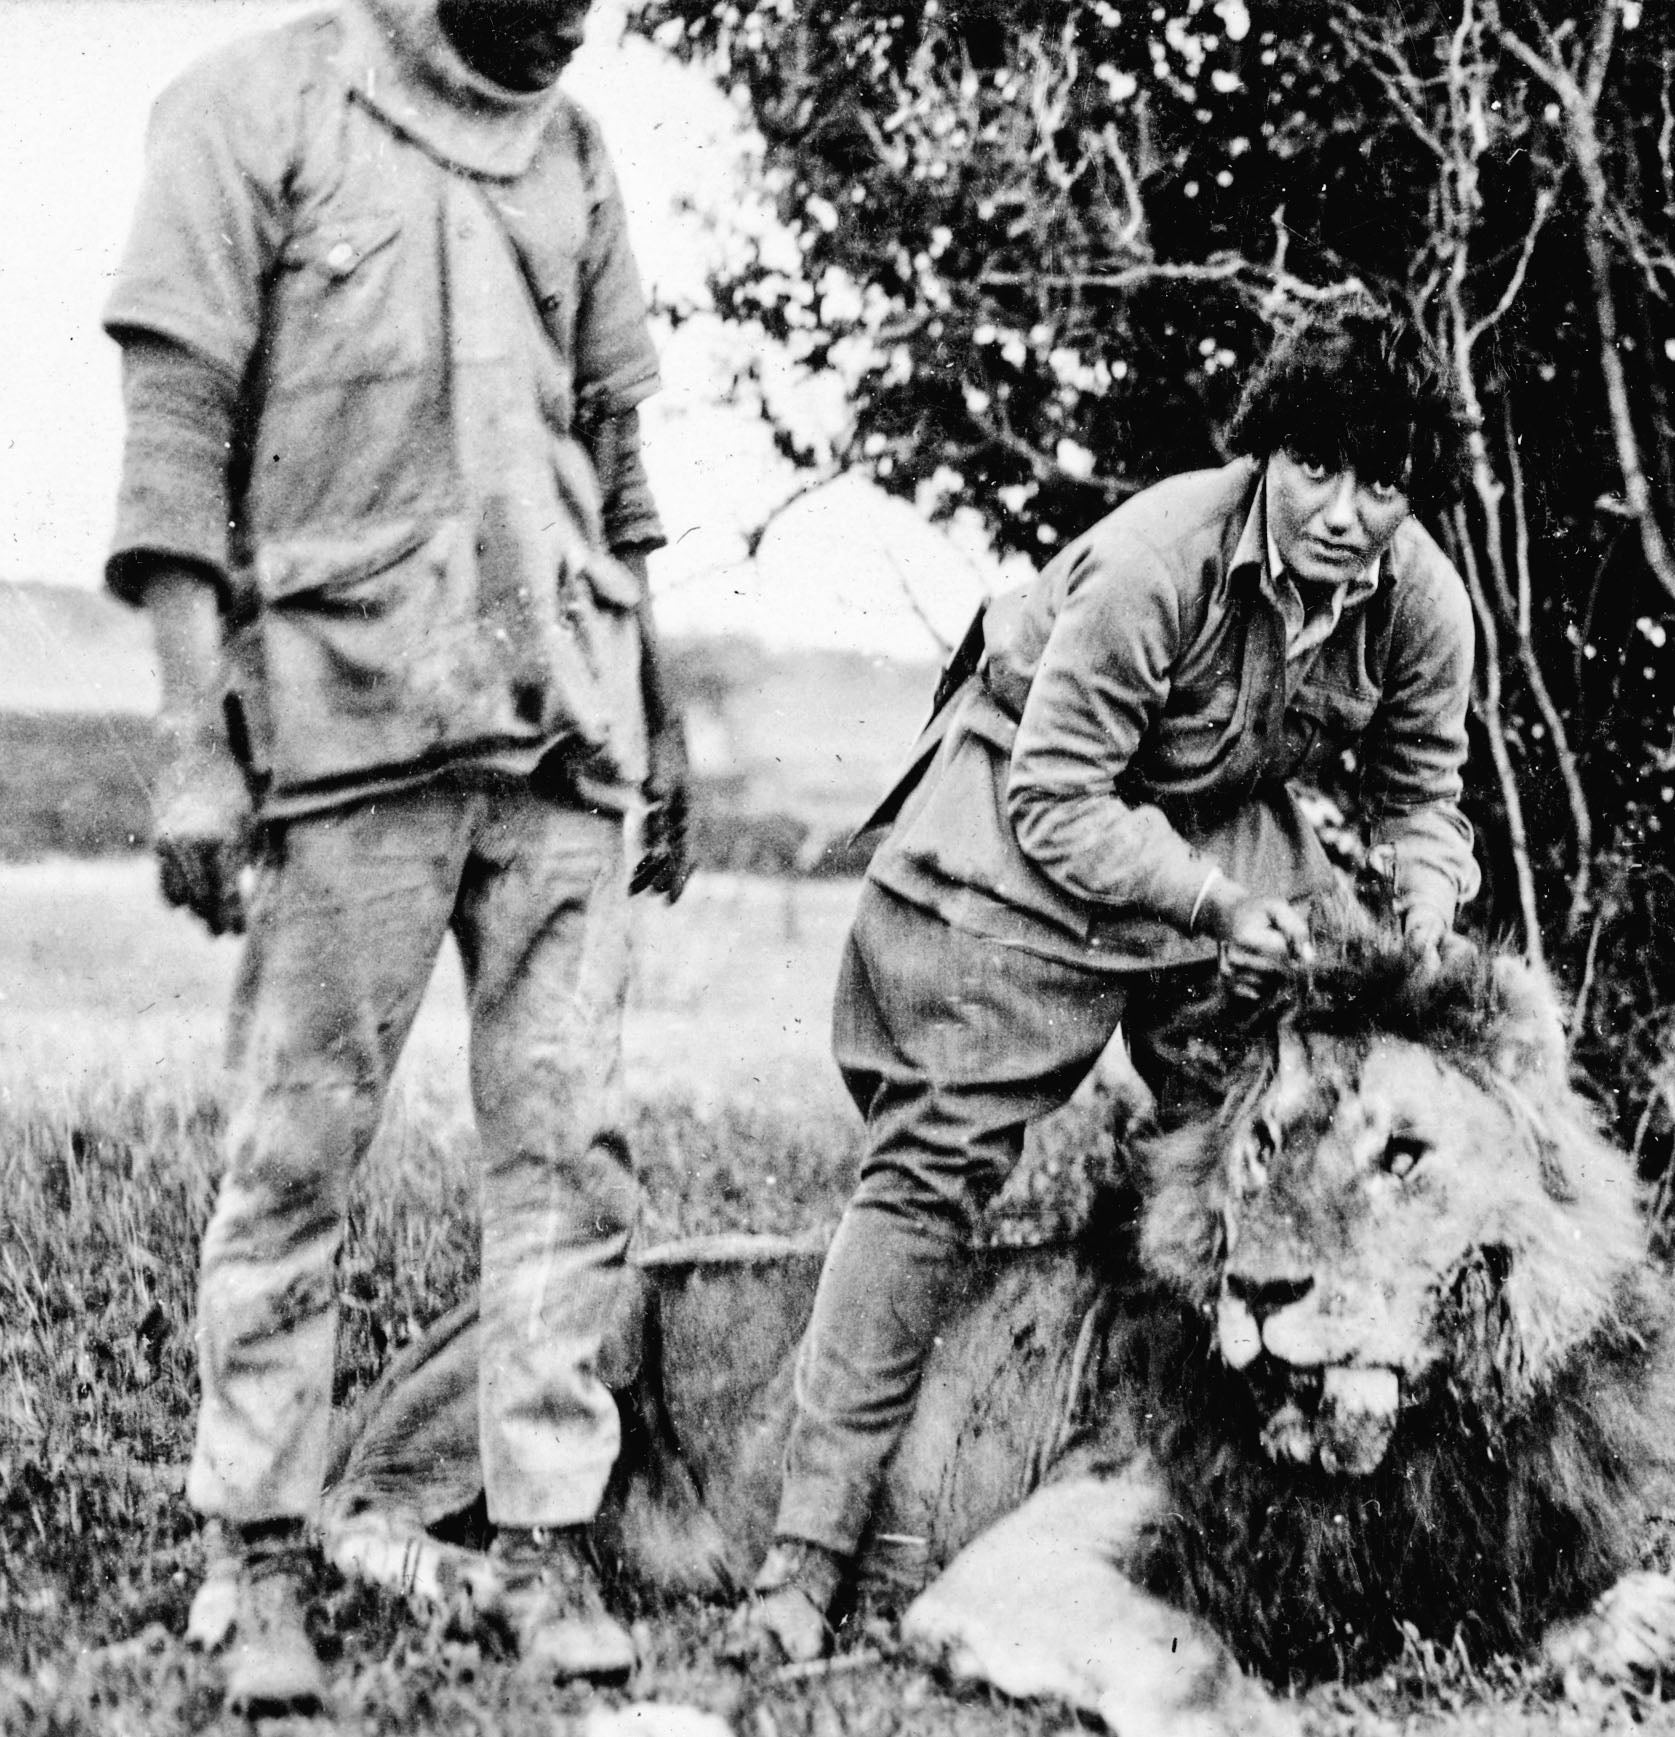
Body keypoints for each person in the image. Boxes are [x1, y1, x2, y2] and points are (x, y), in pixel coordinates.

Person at [730, 297, 1480, 1663]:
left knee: (1267, 1142)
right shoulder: (1156, 561)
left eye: (1380, 484)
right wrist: (1215, 907)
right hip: (1030, 826)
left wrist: (1422, 909)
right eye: (1315, 467)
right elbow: (1060, 794)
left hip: (1219, 828)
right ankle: (806, 1551)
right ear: (1265, 456)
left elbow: (1424, 798)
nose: (1342, 512)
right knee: (930, 1165)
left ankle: (1240, 1503)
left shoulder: (1423, 602)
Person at [103, 0, 689, 1714]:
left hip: (564, 732)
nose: (580, 14)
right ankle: (257, 1549)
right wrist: (190, 742)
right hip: (346, 726)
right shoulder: (247, 108)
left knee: (568, 1155)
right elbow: (173, 439)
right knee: (293, 1153)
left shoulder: (575, 147)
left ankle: (546, 1542)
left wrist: (663, 708)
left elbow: (623, 456)